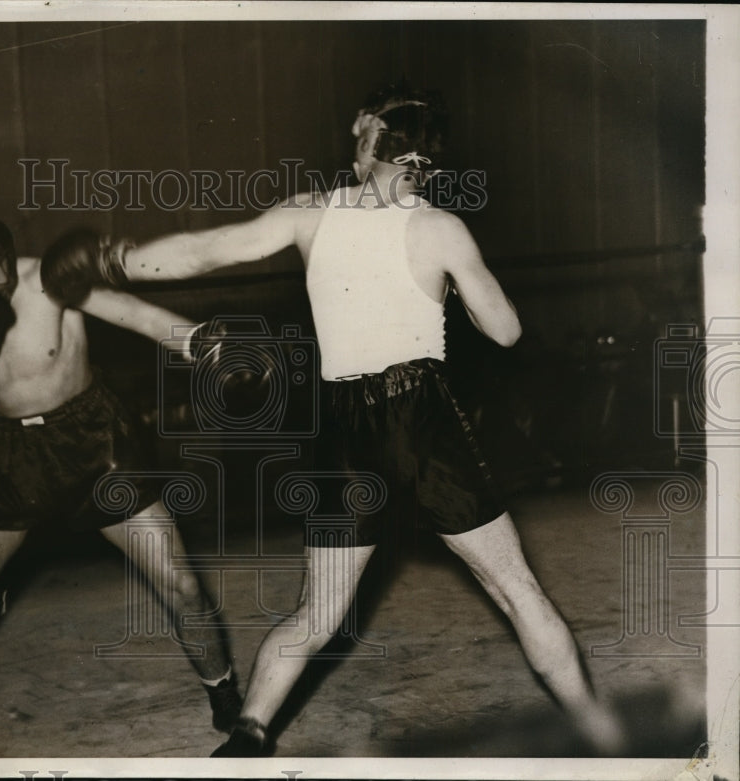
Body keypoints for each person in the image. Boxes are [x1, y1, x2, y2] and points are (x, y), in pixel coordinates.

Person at [114, 84, 628, 757]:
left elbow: (201, 254)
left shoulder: (310, 215)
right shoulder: (440, 227)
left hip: (344, 428)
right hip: (421, 421)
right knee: (514, 587)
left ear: (367, 139)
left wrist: (114, 259)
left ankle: (249, 734)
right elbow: (504, 331)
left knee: (317, 612)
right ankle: (600, 731)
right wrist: (454, 290)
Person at [0, 202, 241, 758]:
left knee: (180, 584)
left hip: (93, 441)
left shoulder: (45, 279)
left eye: (1, 260)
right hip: (3, 455)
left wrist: (200, 342)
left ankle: (224, 694)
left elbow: (136, 315)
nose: (1, 277)